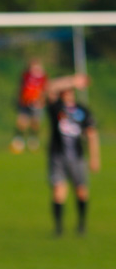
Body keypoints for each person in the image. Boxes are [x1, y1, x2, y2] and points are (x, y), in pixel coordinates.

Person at [44, 73, 100, 236]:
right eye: (65, 90)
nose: (67, 92)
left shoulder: (82, 110)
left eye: (70, 90)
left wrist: (94, 158)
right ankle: (58, 228)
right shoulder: (56, 107)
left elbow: (91, 134)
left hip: (78, 156)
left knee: (81, 190)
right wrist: (72, 81)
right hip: (57, 155)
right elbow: (49, 87)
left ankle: (81, 225)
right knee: (58, 191)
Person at [11, 59, 48, 154]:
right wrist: (20, 99)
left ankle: (33, 139)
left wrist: (41, 101)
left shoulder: (43, 77)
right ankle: (18, 141)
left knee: (35, 123)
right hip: (25, 102)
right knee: (21, 122)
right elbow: (21, 88)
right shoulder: (26, 76)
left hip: (37, 103)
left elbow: (45, 89)